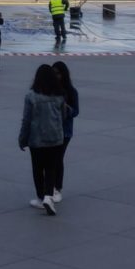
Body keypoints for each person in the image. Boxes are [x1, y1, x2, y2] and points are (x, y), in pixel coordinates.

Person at [18, 64, 70, 215]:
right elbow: (63, 117)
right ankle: (49, 196)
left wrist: (22, 139)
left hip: (37, 139)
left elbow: (26, 120)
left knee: (38, 168)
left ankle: (41, 198)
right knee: (51, 168)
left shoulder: (31, 96)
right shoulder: (59, 96)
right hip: (55, 138)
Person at [51, 60, 79, 201]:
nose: (56, 77)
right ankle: (51, 187)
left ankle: (57, 188)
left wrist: (66, 110)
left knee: (58, 158)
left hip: (65, 131)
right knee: (51, 158)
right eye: (53, 74)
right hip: (51, 129)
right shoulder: (50, 90)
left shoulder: (71, 92)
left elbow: (76, 111)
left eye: (58, 74)